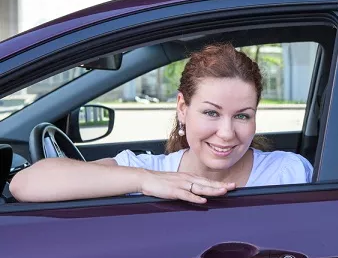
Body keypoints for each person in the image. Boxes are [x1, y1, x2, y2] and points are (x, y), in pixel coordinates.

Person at [10, 43, 313, 203]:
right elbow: (25, 184)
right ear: (183, 108)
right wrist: (143, 181)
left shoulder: (288, 172)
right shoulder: (149, 171)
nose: (226, 133)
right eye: (211, 113)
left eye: (242, 115)